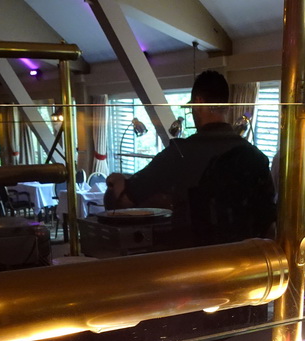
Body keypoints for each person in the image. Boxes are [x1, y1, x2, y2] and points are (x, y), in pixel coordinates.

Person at [105, 70, 276, 248]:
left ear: (199, 102)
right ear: (226, 105)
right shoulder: (257, 158)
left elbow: (123, 200)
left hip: (192, 263)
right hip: (244, 266)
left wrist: (117, 180)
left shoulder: (179, 153)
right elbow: (269, 226)